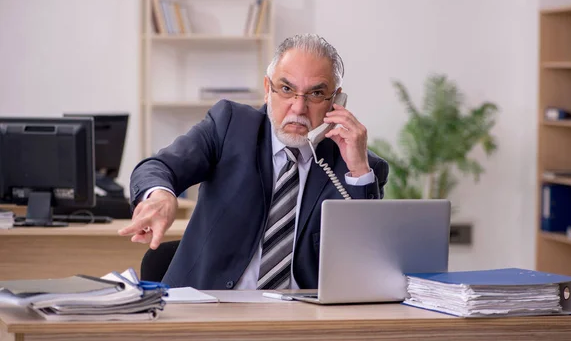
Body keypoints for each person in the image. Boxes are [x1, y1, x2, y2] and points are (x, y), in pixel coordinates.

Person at [119, 34, 389, 290]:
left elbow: (366, 262)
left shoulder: (359, 165)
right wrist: (160, 195)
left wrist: (358, 171)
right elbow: (158, 167)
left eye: (316, 94)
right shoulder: (230, 126)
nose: (298, 108)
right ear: (267, 89)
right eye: (286, 89)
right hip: (209, 306)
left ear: (336, 100)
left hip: (303, 318)